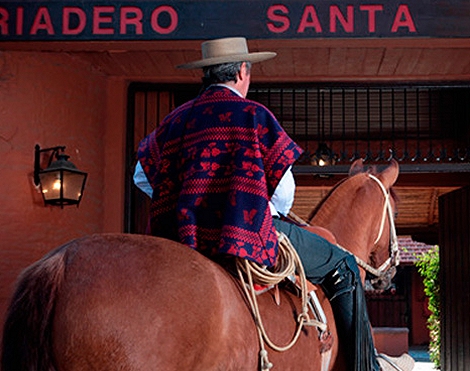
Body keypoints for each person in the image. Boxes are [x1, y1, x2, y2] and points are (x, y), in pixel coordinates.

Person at [133, 37, 414, 371]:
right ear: (242, 71)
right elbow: (283, 193)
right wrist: (252, 203)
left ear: (205, 76)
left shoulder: (174, 121)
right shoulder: (254, 115)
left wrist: (189, 203)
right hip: (245, 233)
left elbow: (140, 175)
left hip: (184, 239)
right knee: (346, 268)